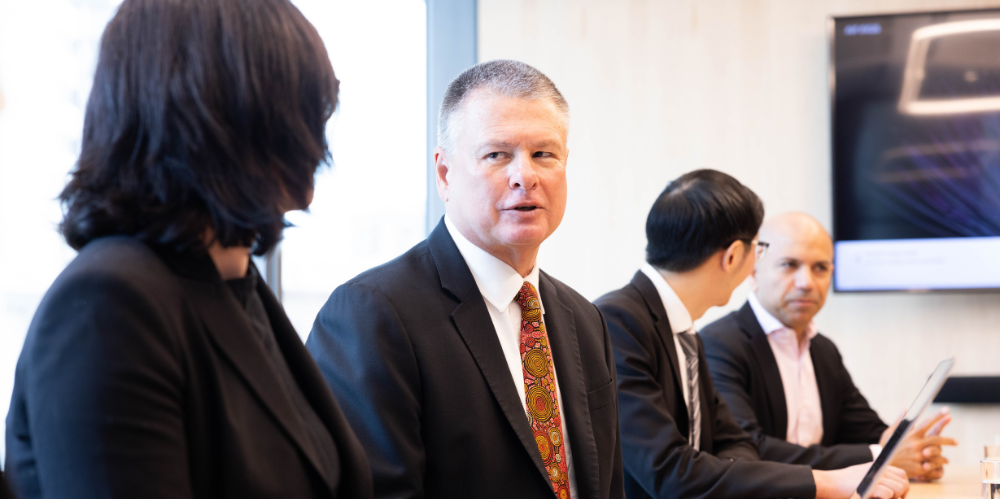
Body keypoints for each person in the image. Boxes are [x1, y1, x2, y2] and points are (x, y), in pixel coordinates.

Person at [4, 1, 372, 497]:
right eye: (298, 113)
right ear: (216, 118)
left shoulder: (232, 280)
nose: (315, 143)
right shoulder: (108, 305)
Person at [306, 60, 624, 499]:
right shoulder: (370, 315)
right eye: (497, 155)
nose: (525, 176)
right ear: (445, 174)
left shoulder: (584, 319)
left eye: (543, 154)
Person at [594, 170, 909, 499]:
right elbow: (670, 471)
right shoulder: (617, 322)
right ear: (732, 257)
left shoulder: (682, 327)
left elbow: (733, 441)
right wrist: (827, 483)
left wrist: (736, 477)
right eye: (758, 250)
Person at [700, 212, 956, 478]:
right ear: (752, 271)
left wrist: (911, 452)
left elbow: (863, 429)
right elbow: (748, 448)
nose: (807, 283)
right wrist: (881, 457)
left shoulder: (823, 349)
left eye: (820, 268)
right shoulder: (718, 345)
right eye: (789, 265)